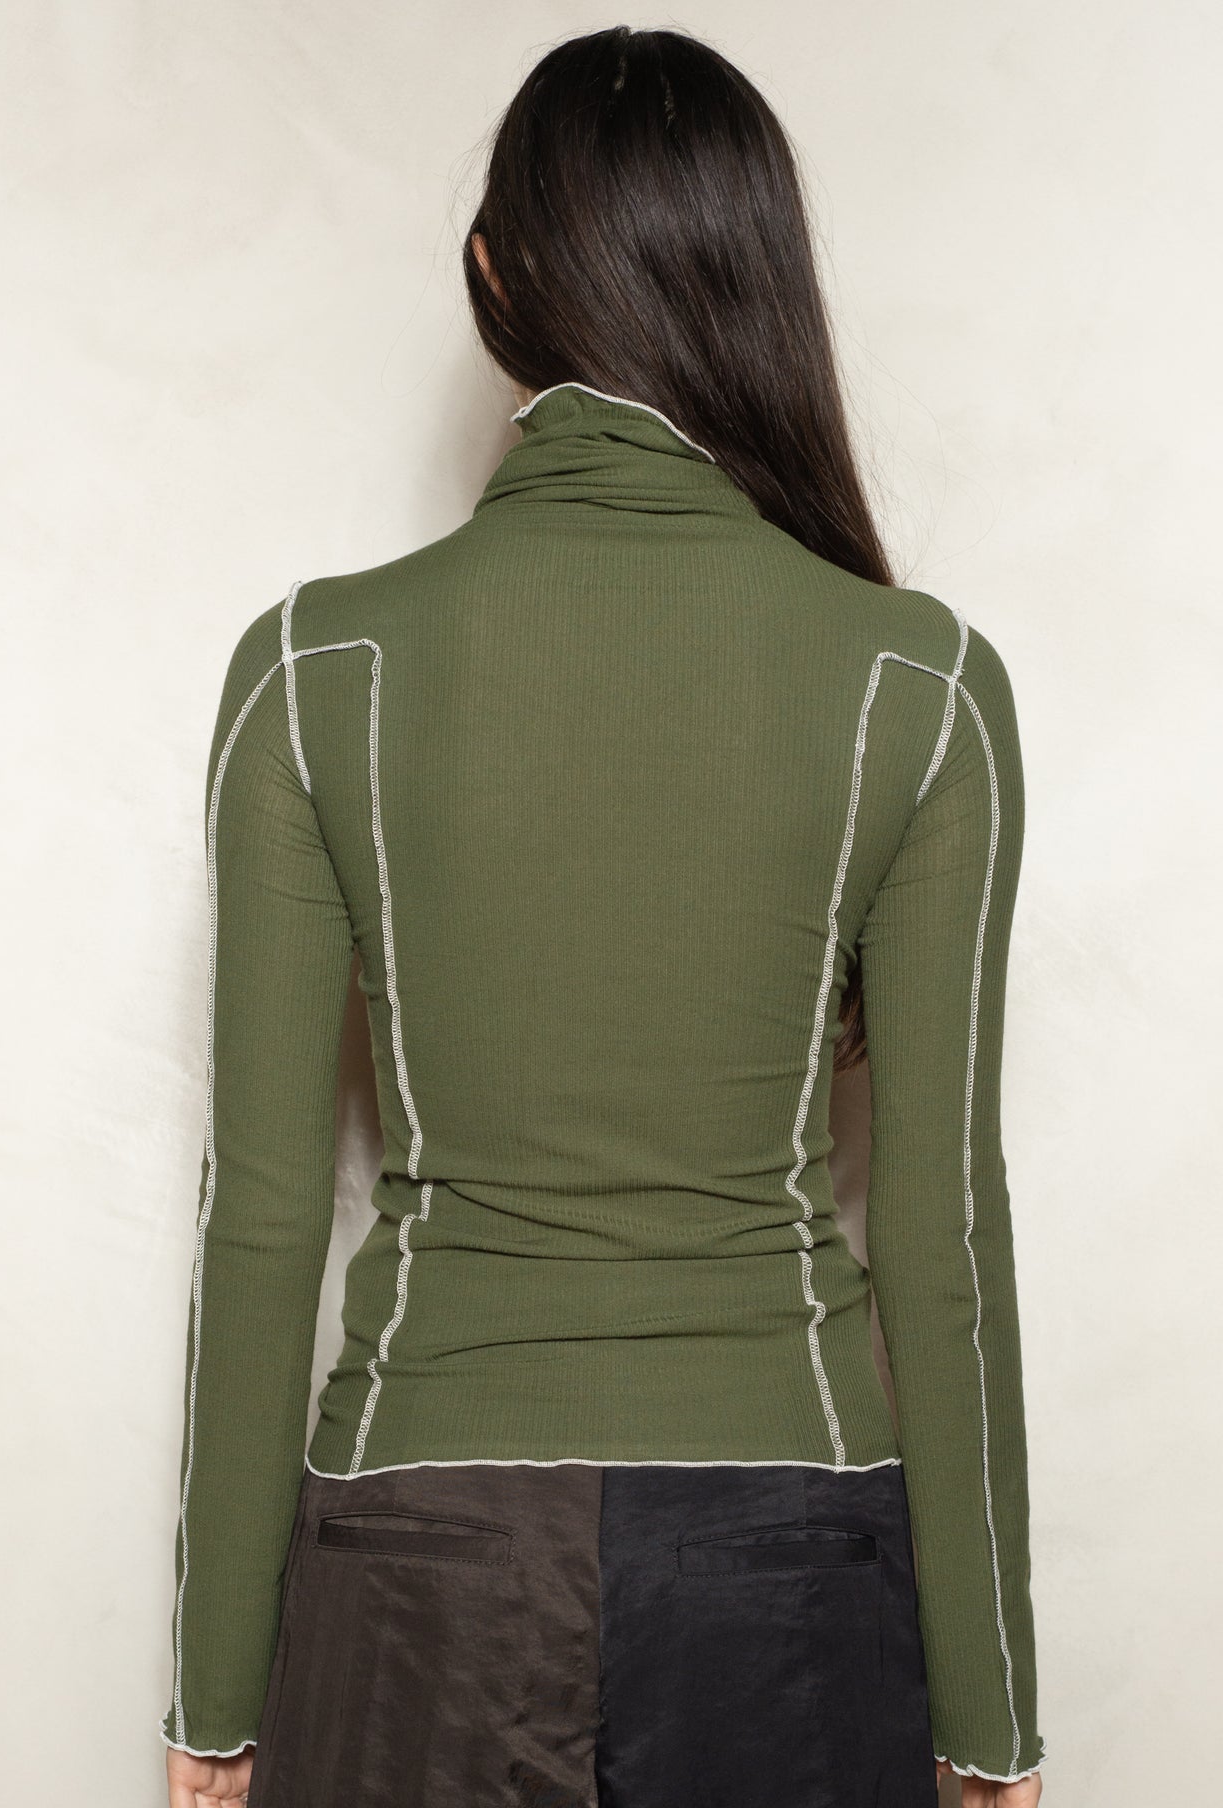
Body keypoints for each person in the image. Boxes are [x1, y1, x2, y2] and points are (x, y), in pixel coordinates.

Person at [159, 24, 1046, 1808]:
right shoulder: (917, 685)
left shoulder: (318, 671)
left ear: (494, 275)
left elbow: (262, 1218)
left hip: (413, 1563)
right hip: (793, 1564)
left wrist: (213, 1707)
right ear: (756, 282)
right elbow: (940, 1236)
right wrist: (991, 1720)